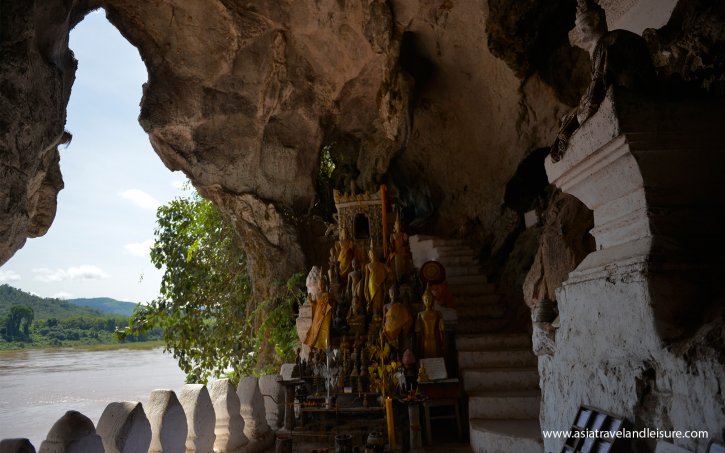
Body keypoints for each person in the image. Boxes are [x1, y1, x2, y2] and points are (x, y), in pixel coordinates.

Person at [550, 0, 656, 162]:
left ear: (597, 20)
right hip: (635, 93)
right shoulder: (603, 46)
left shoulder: (609, 42)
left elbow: (599, 89)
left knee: (576, 119)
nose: (581, 30)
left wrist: (574, 119)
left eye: (584, 23)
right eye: (578, 27)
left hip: (636, 94)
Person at [304, 275, 335, 350]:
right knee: (316, 329)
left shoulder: (328, 294)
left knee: (326, 329)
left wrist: (328, 302)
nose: (321, 286)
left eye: (323, 284)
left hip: (326, 313)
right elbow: (316, 304)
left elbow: (332, 303)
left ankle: (327, 344)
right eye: (320, 284)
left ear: (325, 284)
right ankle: (319, 347)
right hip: (318, 314)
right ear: (318, 285)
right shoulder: (317, 294)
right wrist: (311, 301)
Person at [415, 286, 445, 359]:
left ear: (432, 300)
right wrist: (418, 341)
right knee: (425, 356)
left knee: (435, 355)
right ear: (423, 300)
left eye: (430, 299)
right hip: (424, 338)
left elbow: (441, 329)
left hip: (435, 338)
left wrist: (442, 339)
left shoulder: (437, 313)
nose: (428, 301)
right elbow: (417, 330)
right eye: (426, 299)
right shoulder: (420, 314)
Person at [364, 244, 388, 316]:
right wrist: (365, 288)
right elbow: (366, 278)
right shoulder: (368, 265)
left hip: (379, 285)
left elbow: (385, 274)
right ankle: (374, 314)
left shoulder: (381, 265)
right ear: (369, 256)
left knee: (379, 300)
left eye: (374, 253)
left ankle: (379, 314)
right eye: (371, 254)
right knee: (373, 300)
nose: (373, 255)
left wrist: (384, 286)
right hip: (371, 285)